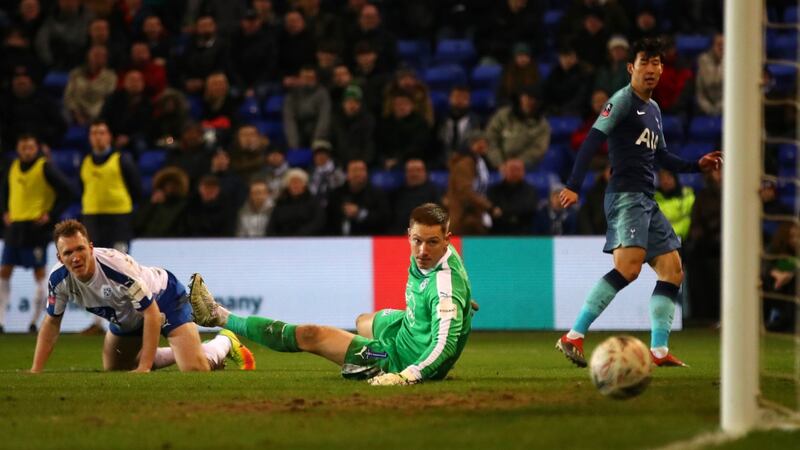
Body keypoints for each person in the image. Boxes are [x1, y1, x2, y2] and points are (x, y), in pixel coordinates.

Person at [556, 38, 723, 368]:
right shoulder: (621, 101)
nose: (651, 68)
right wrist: (574, 185)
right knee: (628, 269)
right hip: (625, 197)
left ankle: (658, 351)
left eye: (657, 62)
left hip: (647, 199)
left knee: (673, 270)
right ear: (631, 67)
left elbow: (660, 155)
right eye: (645, 61)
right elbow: (592, 139)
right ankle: (573, 335)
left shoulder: (654, 109)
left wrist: (695, 165)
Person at [190, 203, 473, 385]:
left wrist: (408, 375)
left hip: (399, 358)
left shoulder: (444, 289)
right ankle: (362, 348)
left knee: (313, 335)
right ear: (408, 234)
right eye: (417, 241)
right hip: (404, 328)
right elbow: (447, 288)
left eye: (432, 243)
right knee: (364, 319)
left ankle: (219, 316)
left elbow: (445, 346)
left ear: (447, 240)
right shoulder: (438, 262)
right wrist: (458, 305)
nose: (423, 251)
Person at [31, 219, 255, 373]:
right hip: (127, 316)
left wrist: (144, 368)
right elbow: (51, 322)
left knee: (195, 369)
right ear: (60, 258)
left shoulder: (115, 267)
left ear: (90, 247)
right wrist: (35, 371)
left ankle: (223, 342)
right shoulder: (57, 280)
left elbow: (152, 313)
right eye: (68, 252)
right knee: (115, 367)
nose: (76, 257)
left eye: (80, 249)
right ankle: (184, 350)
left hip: (163, 299)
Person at [0, 135, 76, 333]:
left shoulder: (45, 167)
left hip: (35, 229)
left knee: (39, 274)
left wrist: (50, 215)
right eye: (23, 147)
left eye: (30, 147)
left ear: (37, 148)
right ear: (18, 148)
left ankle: (35, 321)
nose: (27, 151)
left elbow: (68, 191)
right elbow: (5, 190)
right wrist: (5, 211)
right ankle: (1, 320)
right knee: (4, 271)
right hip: (15, 227)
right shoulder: (12, 166)